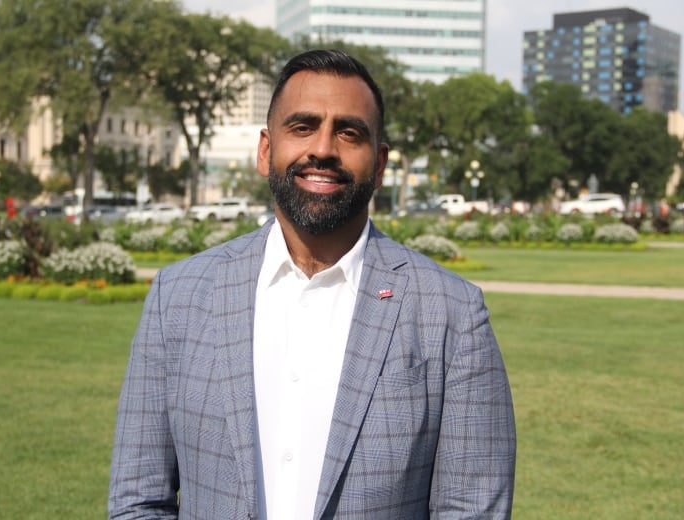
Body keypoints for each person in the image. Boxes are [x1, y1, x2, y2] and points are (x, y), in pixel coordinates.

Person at [108, 49, 516, 519]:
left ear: (379, 164)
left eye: (349, 132)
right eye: (302, 126)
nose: (323, 148)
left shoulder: (451, 313)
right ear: (266, 151)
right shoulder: (178, 297)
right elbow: (138, 501)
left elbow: (473, 510)